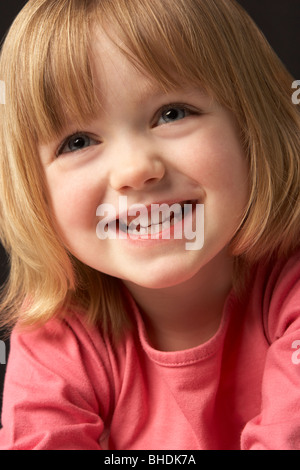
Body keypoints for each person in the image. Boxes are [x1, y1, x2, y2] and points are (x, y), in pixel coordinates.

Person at [0, 0, 299, 450]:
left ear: (254, 123)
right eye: (78, 142)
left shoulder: (289, 287)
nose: (135, 169)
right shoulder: (57, 340)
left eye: (173, 113)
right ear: (34, 191)